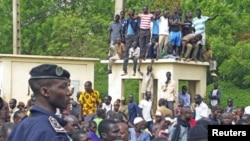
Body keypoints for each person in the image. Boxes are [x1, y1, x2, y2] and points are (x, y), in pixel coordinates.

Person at [7, 64, 72, 141]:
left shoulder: (23, 125)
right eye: (64, 87)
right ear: (45, 91)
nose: (69, 92)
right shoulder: (51, 132)